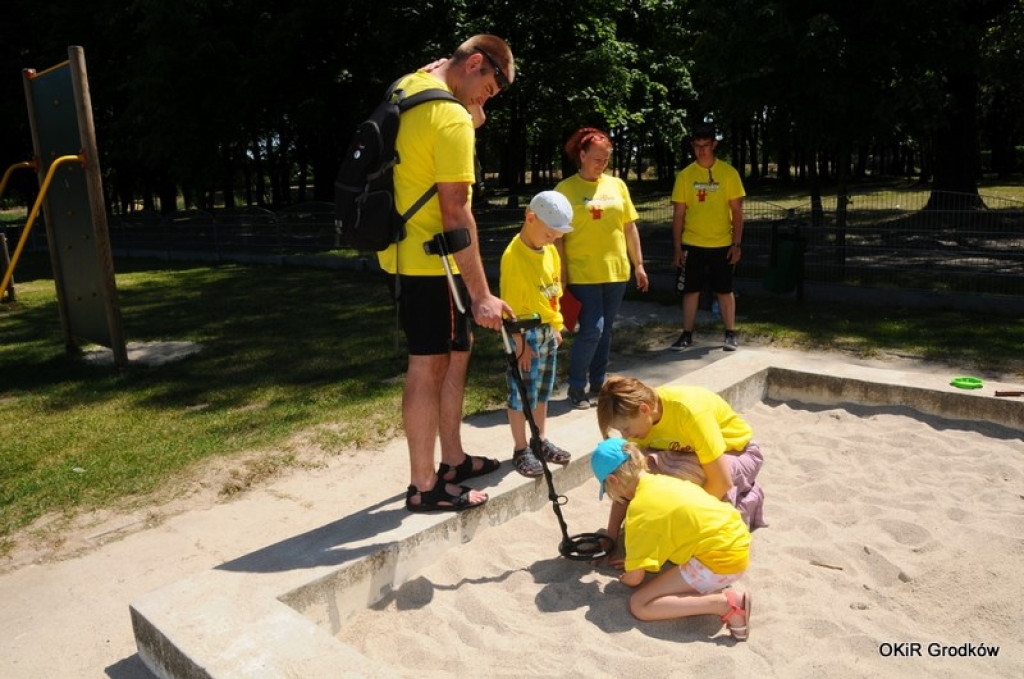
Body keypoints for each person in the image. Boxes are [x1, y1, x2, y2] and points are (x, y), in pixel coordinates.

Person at [377, 35, 515, 513]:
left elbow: (442, 128)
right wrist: (481, 295)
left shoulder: (408, 86)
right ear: (475, 63)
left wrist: (472, 108)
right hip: (431, 261)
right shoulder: (451, 116)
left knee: (456, 352)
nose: (484, 102)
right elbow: (456, 212)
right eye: (488, 89)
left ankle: (452, 460)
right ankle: (424, 486)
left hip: (405, 250)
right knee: (429, 362)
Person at [591, 438, 753, 640]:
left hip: (722, 561)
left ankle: (724, 605)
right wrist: (637, 559)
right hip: (737, 539)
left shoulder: (640, 510)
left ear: (614, 481)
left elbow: (635, 579)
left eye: (608, 489)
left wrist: (627, 575)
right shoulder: (664, 481)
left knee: (640, 604)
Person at [595, 375, 766, 537]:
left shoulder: (689, 411)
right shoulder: (638, 420)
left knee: (686, 477)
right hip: (687, 454)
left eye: (626, 428)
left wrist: (677, 525)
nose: (625, 435)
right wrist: (611, 535)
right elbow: (626, 477)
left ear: (644, 409)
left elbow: (721, 482)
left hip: (738, 453)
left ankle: (745, 500)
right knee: (639, 473)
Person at [555, 127, 649, 410]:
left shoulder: (617, 186)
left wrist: (639, 265)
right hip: (583, 273)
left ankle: (598, 383)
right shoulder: (565, 190)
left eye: (606, 159)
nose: (602, 164)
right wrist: (561, 275)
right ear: (582, 156)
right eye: (596, 158)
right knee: (592, 329)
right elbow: (557, 239)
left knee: (606, 330)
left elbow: (629, 227)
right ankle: (575, 386)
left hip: (616, 272)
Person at [499, 191, 576, 477]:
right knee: (521, 393)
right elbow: (509, 307)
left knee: (543, 390)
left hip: (545, 332)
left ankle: (539, 440)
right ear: (530, 218)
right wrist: (520, 344)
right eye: (548, 233)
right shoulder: (513, 256)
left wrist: (556, 325)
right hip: (524, 335)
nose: (552, 239)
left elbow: (553, 292)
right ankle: (521, 448)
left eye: (556, 235)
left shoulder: (551, 251)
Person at [670, 123, 746, 351]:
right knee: (690, 290)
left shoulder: (729, 173)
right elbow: (679, 214)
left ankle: (730, 333)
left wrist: (737, 244)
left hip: (722, 244)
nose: (702, 150)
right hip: (692, 244)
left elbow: (737, 211)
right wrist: (677, 248)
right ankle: (686, 334)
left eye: (706, 145)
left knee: (724, 290)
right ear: (693, 146)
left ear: (714, 145)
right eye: (697, 146)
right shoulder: (685, 176)